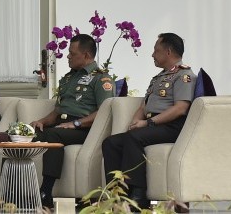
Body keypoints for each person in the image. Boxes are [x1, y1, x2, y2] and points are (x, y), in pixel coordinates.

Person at [102, 33, 196, 209]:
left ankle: (138, 194)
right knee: (111, 143)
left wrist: (147, 124)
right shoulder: (159, 78)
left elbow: (180, 108)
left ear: (168, 52)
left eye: (156, 50)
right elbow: (144, 106)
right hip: (153, 126)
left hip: (172, 127)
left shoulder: (184, 76)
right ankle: (116, 194)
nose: (153, 54)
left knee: (134, 138)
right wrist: (136, 121)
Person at [30, 34, 115, 207]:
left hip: (84, 129)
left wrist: (75, 123)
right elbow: (58, 110)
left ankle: (45, 191)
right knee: (18, 137)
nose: (68, 56)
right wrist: (41, 121)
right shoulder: (69, 78)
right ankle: (8, 194)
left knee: (53, 135)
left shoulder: (101, 78)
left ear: (85, 55)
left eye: (72, 53)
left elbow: (104, 112)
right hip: (62, 126)